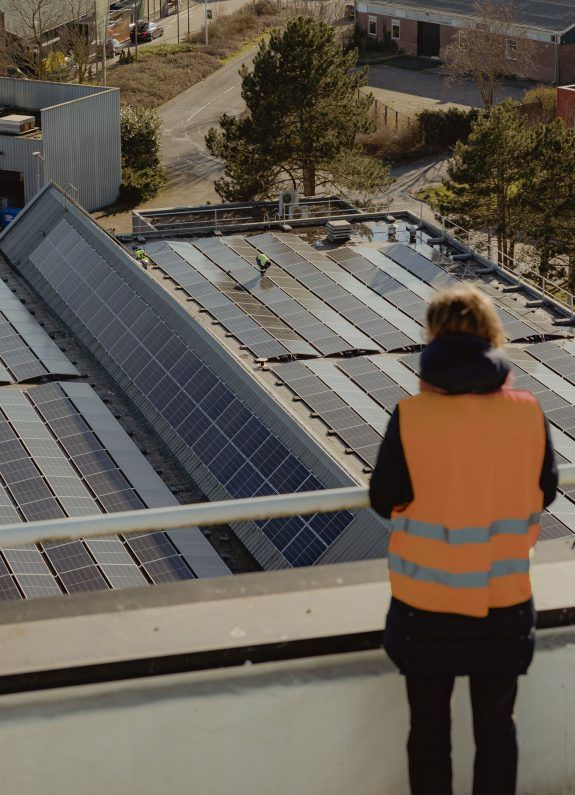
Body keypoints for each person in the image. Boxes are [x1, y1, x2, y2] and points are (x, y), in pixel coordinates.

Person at [369, 284, 558, 795]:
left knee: (429, 734)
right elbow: (547, 492)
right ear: (493, 334)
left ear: (433, 336)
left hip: (424, 609)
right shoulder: (527, 411)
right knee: (497, 733)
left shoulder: (410, 417)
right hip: (504, 604)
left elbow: (384, 499)